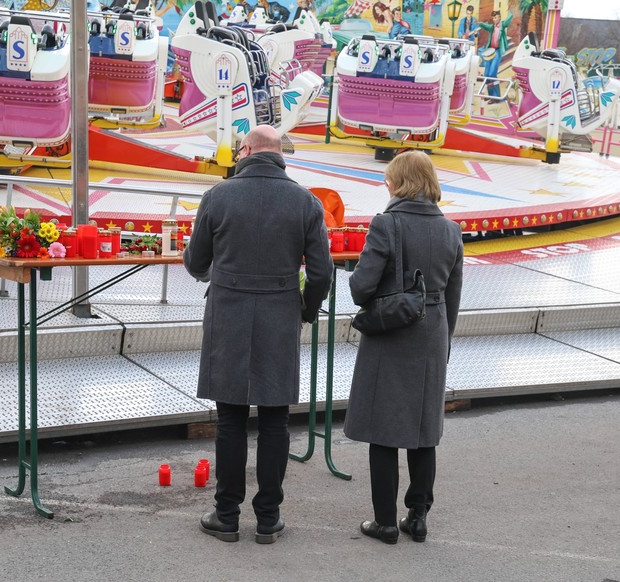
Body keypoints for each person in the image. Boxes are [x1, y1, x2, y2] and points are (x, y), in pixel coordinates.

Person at [184, 124, 333, 544]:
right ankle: (268, 519)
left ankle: (226, 516)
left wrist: (221, 274)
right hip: (280, 314)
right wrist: (304, 309)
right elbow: (322, 272)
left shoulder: (218, 196)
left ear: (246, 150)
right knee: (274, 420)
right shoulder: (306, 202)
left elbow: (196, 262)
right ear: (279, 154)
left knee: (230, 418)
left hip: (228, 314)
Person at [344, 150, 463, 545]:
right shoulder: (451, 229)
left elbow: (362, 287)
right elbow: (454, 296)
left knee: (384, 429)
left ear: (398, 183)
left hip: (392, 333)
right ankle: (418, 516)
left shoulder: (386, 224)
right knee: (423, 429)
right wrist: (443, 342)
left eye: (389, 179)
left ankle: (385, 522)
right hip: (433, 333)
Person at [478, 9, 514, 97]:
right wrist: (480, 23)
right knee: (487, 75)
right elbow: (486, 26)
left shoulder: (502, 25)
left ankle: (496, 96)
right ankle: (491, 95)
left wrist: (510, 13)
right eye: (493, 18)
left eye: (496, 17)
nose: (495, 19)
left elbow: (508, 21)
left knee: (492, 74)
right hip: (490, 51)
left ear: (499, 18)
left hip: (497, 51)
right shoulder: (492, 27)